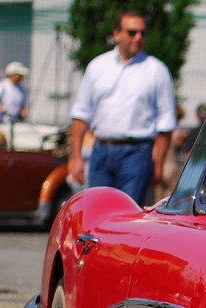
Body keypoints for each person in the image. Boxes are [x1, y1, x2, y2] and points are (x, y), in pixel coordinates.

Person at [68, 10, 177, 205]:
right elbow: (81, 113)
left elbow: (166, 121)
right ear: (117, 34)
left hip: (136, 153)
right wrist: (75, 156)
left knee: (128, 212)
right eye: (132, 32)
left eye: (142, 33)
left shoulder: (156, 70)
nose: (138, 37)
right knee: (98, 209)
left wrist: (158, 163)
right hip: (100, 149)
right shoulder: (98, 66)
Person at [0, 61, 29, 127]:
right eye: (20, 75)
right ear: (13, 75)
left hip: (14, 124)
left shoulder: (22, 89)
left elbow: (23, 106)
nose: (22, 77)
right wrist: (3, 111)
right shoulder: (2, 86)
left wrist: (23, 114)